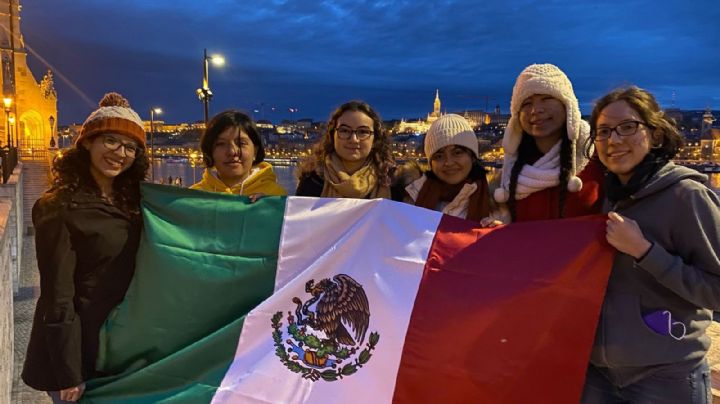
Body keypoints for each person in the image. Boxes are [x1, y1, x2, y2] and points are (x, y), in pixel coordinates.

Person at [581, 86, 719, 403]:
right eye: (603, 131)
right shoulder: (599, 197)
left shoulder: (687, 196)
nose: (614, 140)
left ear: (654, 135)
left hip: (665, 375)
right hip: (599, 374)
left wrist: (646, 252)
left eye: (628, 127)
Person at [22, 92, 149, 403]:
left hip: (120, 345)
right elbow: (58, 295)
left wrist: (249, 205)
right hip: (79, 350)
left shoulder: (134, 202)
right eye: (110, 140)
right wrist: (70, 372)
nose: (120, 153)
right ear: (88, 143)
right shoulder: (58, 207)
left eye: (130, 147)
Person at [493, 63, 604, 222]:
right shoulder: (507, 177)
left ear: (568, 106)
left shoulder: (599, 159)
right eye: (526, 103)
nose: (536, 110)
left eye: (546, 98)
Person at [401, 114, 499, 224]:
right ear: (431, 163)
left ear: (472, 157)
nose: (449, 162)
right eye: (439, 156)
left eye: (457, 153)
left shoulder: (499, 203)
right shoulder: (408, 198)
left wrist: (497, 235)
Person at [295, 100, 396, 199]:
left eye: (362, 132)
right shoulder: (312, 181)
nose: (354, 139)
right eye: (344, 131)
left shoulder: (395, 182)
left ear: (375, 139)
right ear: (332, 135)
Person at [190, 109, 286, 198]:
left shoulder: (277, 197)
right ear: (210, 151)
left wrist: (268, 210)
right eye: (221, 144)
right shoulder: (194, 198)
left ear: (255, 151)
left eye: (241, 143)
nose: (232, 152)